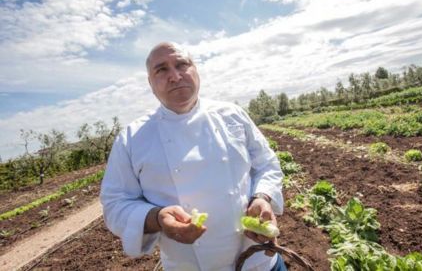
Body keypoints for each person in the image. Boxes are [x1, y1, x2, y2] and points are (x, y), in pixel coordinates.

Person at [100, 42, 285, 271]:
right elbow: (115, 204)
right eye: (162, 69)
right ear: (150, 83)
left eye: (182, 65)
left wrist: (262, 197)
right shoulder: (131, 138)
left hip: (259, 260)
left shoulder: (233, 115)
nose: (175, 76)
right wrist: (157, 217)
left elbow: (266, 164)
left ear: (195, 70)